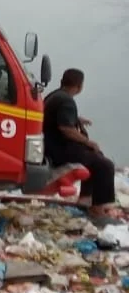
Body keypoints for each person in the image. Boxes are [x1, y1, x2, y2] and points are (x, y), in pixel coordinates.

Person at [43, 69, 119, 221]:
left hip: (49, 146)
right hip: (60, 150)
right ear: (79, 86)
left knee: (95, 159)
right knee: (105, 164)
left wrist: (77, 119)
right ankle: (97, 208)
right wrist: (87, 141)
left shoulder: (54, 96)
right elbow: (65, 128)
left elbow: (57, 117)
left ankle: (85, 200)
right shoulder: (67, 101)